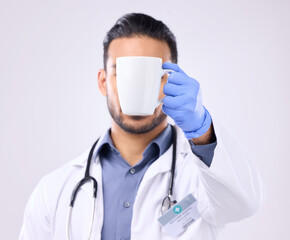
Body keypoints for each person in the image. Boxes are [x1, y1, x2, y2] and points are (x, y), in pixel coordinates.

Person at [19, 13, 265, 240]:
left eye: (152, 74)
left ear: (170, 80)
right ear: (103, 82)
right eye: (123, 73)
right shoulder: (54, 190)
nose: (136, 85)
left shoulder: (202, 176)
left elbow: (245, 203)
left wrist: (202, 130)